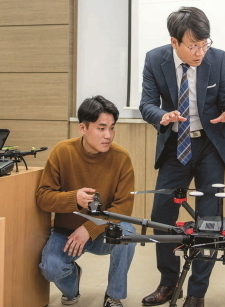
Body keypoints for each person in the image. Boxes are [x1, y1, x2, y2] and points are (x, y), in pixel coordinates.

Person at [139, 6, 225, 307]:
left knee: (208, 220)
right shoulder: (154, 60)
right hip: (176, 145)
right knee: (162, 217)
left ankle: (197, 292)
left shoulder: (218, 58)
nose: (200, 52)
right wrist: (163, 115)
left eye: (204, 44)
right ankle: (169, 283)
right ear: (175, 42)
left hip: (210, 145)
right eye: (193, 46)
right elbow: (146, 104)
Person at [36, 96, 136, 307]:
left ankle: (113, 296)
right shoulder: (62, 152)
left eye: (111, 128)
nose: (108, 135)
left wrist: (89, 228)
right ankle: (73, 283)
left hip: (103, 232)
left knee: (127, 232)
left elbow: (123, 207)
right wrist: (74, 199)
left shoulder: (121, 158)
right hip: (66, 232)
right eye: (101, 128)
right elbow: (43, 197)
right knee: (51, 270)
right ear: (82, 127)